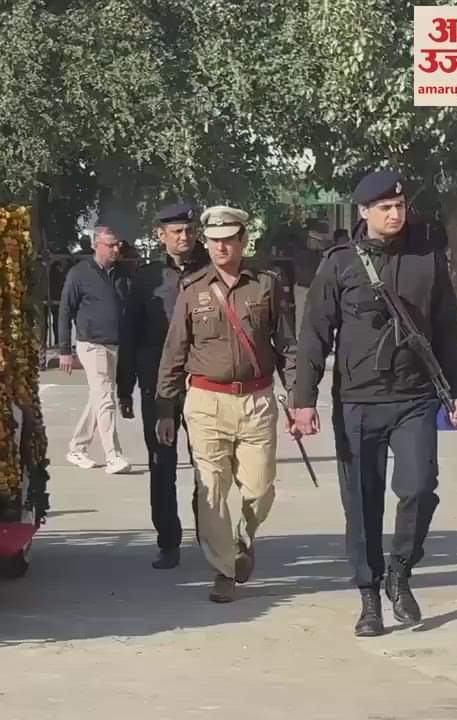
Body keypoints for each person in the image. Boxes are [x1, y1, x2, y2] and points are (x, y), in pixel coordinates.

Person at [291, 170, 457, 637]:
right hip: (357, 402)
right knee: (362, 503)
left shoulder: (427, 257)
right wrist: (302, 400)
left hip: (414, 398)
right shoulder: (339, 263)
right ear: (365, 212)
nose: (395, 214)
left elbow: (447, 329)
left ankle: (400, 574)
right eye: (385, 208)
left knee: (418, 488)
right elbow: (313, 336)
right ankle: (369, 596)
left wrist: (456, 392)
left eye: (400, 206)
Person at [155, 205, 297, 603]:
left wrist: (300, 399)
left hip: (256, 400)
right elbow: (174, 351)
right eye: (213, 240)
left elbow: (287, 346)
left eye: (227, 240)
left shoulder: (266, 285)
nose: (220, 247)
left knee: (260, 487)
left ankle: (244, 538)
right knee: (211, 489)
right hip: (205, 402)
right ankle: (224, 569)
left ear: (242, 241)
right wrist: (165, 407)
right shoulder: (193, 289)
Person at [118, 202, 209, 569]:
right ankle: (168, 540)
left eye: (188, 231)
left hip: (203, 382)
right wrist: (124, 388)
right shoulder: (146, 279)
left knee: (208, 465)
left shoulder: (211, 272)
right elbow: (129, 335)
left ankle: (210, 536)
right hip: (158, 386)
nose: (183, 237)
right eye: (176, 232)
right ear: (161, 236)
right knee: (162, 464)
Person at [58, 226, 132, 475]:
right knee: (105, 399)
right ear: (96, 246)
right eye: (110, 245)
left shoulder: (122, 273)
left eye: (117, 244)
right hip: (91, 344)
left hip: (115, 344)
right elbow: (65, 311)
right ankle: (113, 456)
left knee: (99, 398)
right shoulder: (79, 273)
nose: (115, 249)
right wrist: (64, 350)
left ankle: (77, 448)